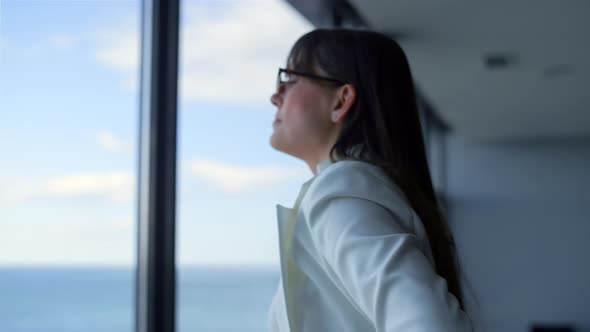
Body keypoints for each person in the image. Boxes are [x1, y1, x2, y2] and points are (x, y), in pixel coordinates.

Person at [267, 28, 473, 332]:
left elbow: (432, 325)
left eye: (290, 80)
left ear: (341, 101)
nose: (275, 96)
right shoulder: (358, 189)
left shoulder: (340, 191)